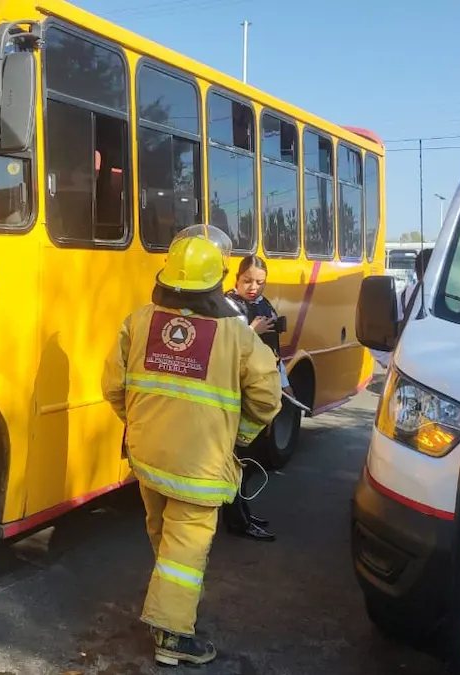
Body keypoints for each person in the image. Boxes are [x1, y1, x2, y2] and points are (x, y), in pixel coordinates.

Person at [102, 224, 281, 667]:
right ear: (216, 283)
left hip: (148, 457)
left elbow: (112, 386)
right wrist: (238, 437)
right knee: (184, 552)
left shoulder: (138, 322)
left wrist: (141, 423)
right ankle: (173, 636)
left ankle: (172, 608)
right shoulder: (238, 336)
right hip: (199, 467)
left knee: (166, 541)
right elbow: (267, 398)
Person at [221, 255, 289, 543]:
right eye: (247, 281)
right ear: (236, 278)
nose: (253, 287)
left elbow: (274, 352)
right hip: (238, 395)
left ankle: (244, 511)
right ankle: (237, 520)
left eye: (259, 282)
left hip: (260, 396)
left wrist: (284, 384)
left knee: (254, 460)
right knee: (239, 461)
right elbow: (226, 350)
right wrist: (252, 332)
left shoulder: (263, 305)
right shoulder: (227, 306)